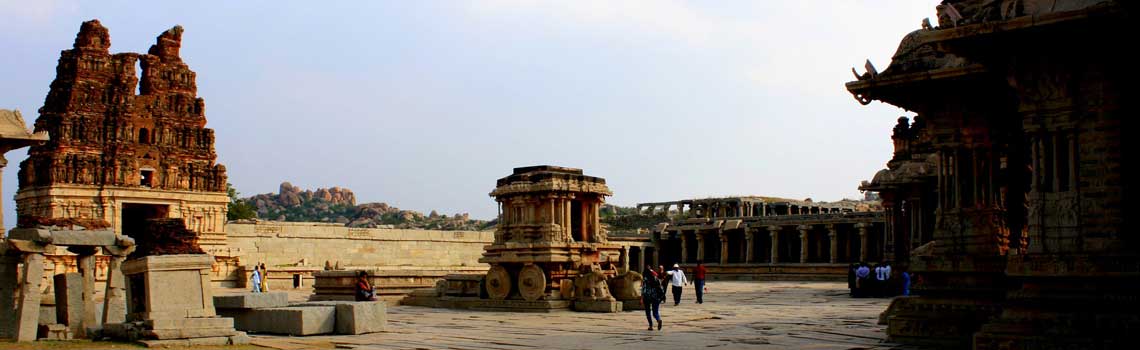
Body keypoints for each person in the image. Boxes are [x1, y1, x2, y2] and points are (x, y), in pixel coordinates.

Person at [640, 265, 664, 330]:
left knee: (648, 312)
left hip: (647, 297)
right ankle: (658, 319)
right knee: (655, 312)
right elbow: (661, 287)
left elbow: (643, 289)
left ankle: (650, 326)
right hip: (656, 297)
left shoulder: (645, 279)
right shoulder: (655, 277)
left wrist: (641, 298)